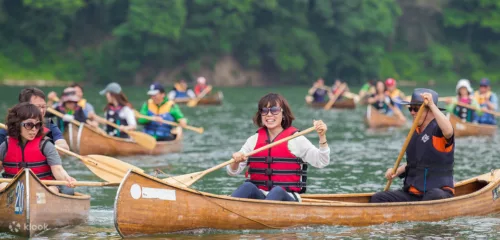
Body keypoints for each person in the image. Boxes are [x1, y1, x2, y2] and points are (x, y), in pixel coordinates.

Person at [227, 93, 330, 202]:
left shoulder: (295, 139)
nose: (269, 114)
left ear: (283, 113)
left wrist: (322, 136)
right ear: (260, 115)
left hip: (287, 199)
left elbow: (321, 161)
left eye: (274, 110)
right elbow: (232, 171)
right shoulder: (253, 140)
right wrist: (236, 161)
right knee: (247, 187)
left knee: (277, 191)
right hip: (260, 199)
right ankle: (228, 209)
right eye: (265, 110)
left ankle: (262, 214)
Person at [370, 88, 455, 203]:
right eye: (410, 109)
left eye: (416, 109)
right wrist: (396, 171)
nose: (412, 113)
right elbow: (414, 163)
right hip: (413, 193)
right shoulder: (414, 132)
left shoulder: (439, 131)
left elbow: (449, 131)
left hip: (439, 192)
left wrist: (431, 104)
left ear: (429, 110)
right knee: (378, 198)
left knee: (433, 196)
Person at [0, 103, 76, 194]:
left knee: (53, 190)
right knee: (2, 185)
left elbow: (58, 169)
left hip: (43, 186)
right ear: (17, 124)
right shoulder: (6, 145)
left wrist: (67, 178)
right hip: (13, 188)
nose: (34, 129)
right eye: (29, 125)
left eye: (37, 125)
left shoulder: (46, 145)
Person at [0, 88, 69, 151]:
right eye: (38, 107)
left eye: (44, 107)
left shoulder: (49, 126)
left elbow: (64, 147)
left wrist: (48, 148)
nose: (42, 111)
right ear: (24, 106)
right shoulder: (7, 130)